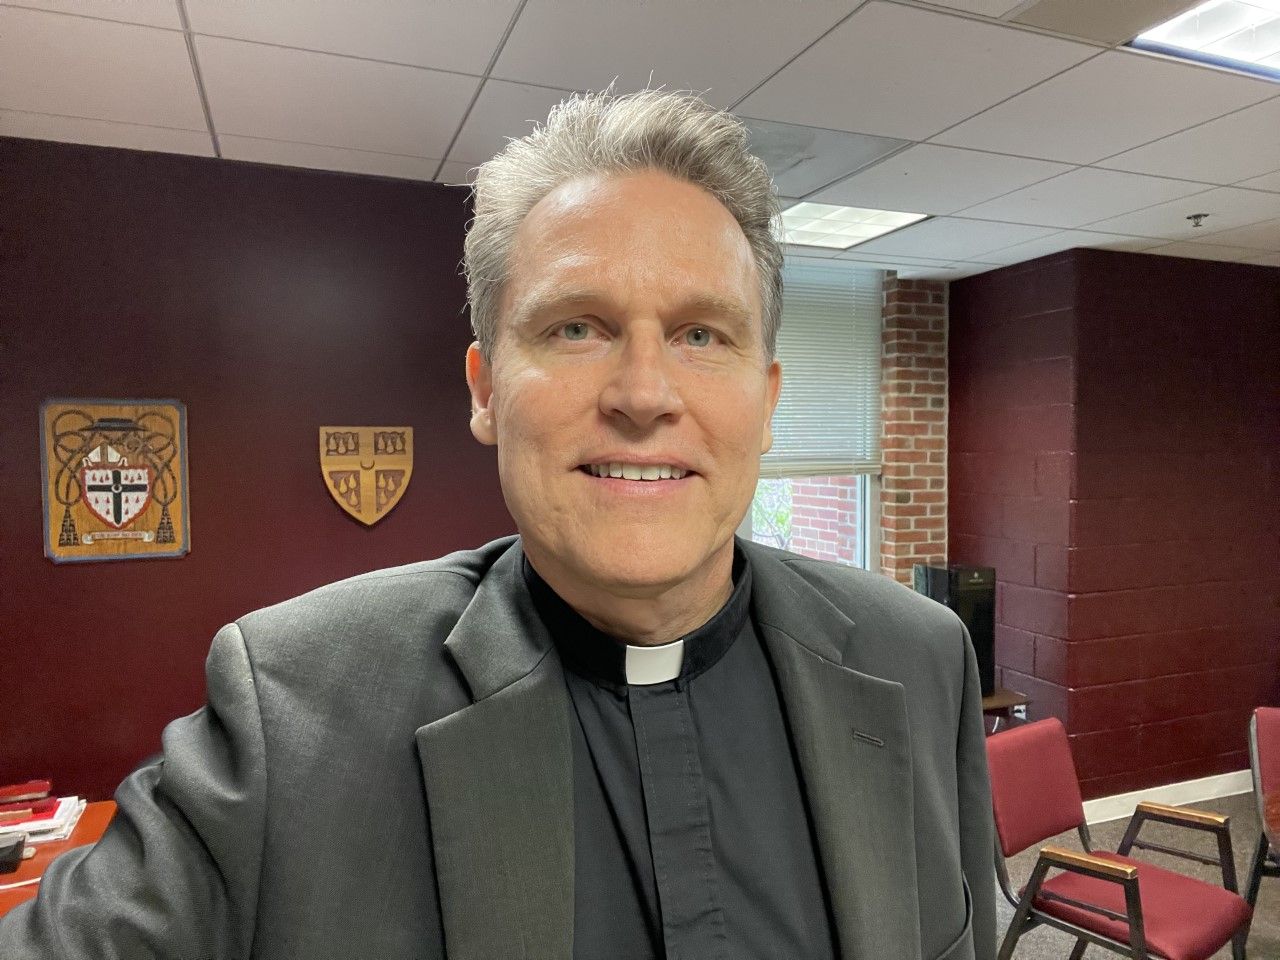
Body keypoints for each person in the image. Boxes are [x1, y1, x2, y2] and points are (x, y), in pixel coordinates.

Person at [0, 90, 995, 960]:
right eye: (576, 327)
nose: (643, 393)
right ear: (484, 390)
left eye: (701, 333)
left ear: (766, 396)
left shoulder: (918, 659)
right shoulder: (291, 711)